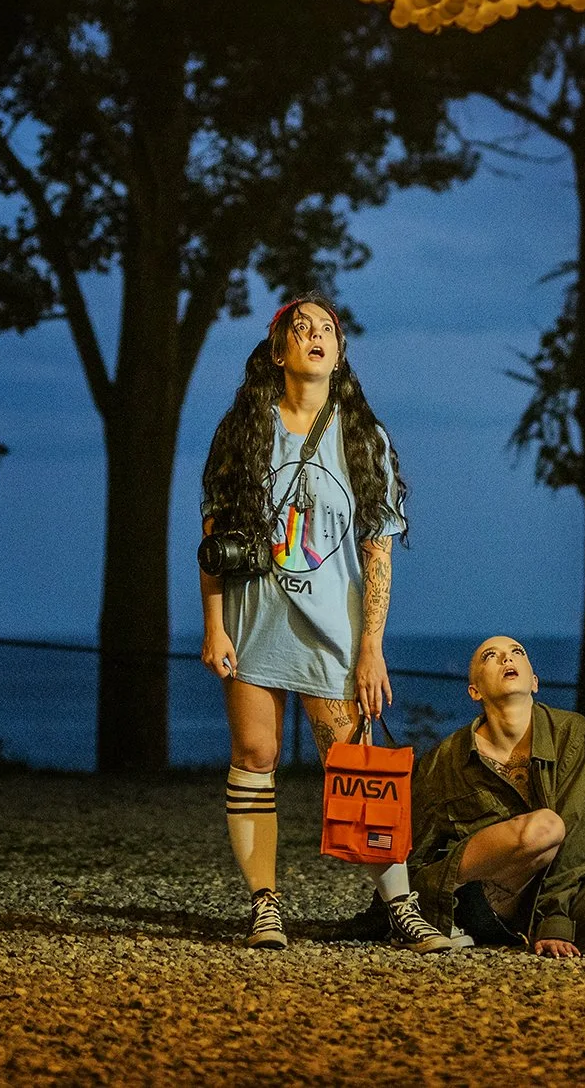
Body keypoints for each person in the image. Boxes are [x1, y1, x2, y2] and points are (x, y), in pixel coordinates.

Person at [197, 294, 464, 952]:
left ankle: (401, 910)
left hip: (334, 633)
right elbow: (213, 532)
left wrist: (372, 648)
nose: (315, 335)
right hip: (254, 618)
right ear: (278, 352)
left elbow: (377, 549)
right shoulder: (244, 429)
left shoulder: (362, 437)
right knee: (254, 758)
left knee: (356, 765)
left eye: (327, 330)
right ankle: (265, 906)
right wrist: (214, 624)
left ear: (339, 355)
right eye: (301, 328)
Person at [409, 636, 585, 957]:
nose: (507, 659)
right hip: (480, 899)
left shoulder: (572, 732)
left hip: (553, 885)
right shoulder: (447, 757)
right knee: (546, 826)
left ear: (534, 682)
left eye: (517, 652)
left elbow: (576, 834)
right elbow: (413, 848)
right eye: (491, 656)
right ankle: (506, 924)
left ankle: (533, 925)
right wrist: (396, 912)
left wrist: (553, 917)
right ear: (475, 690)